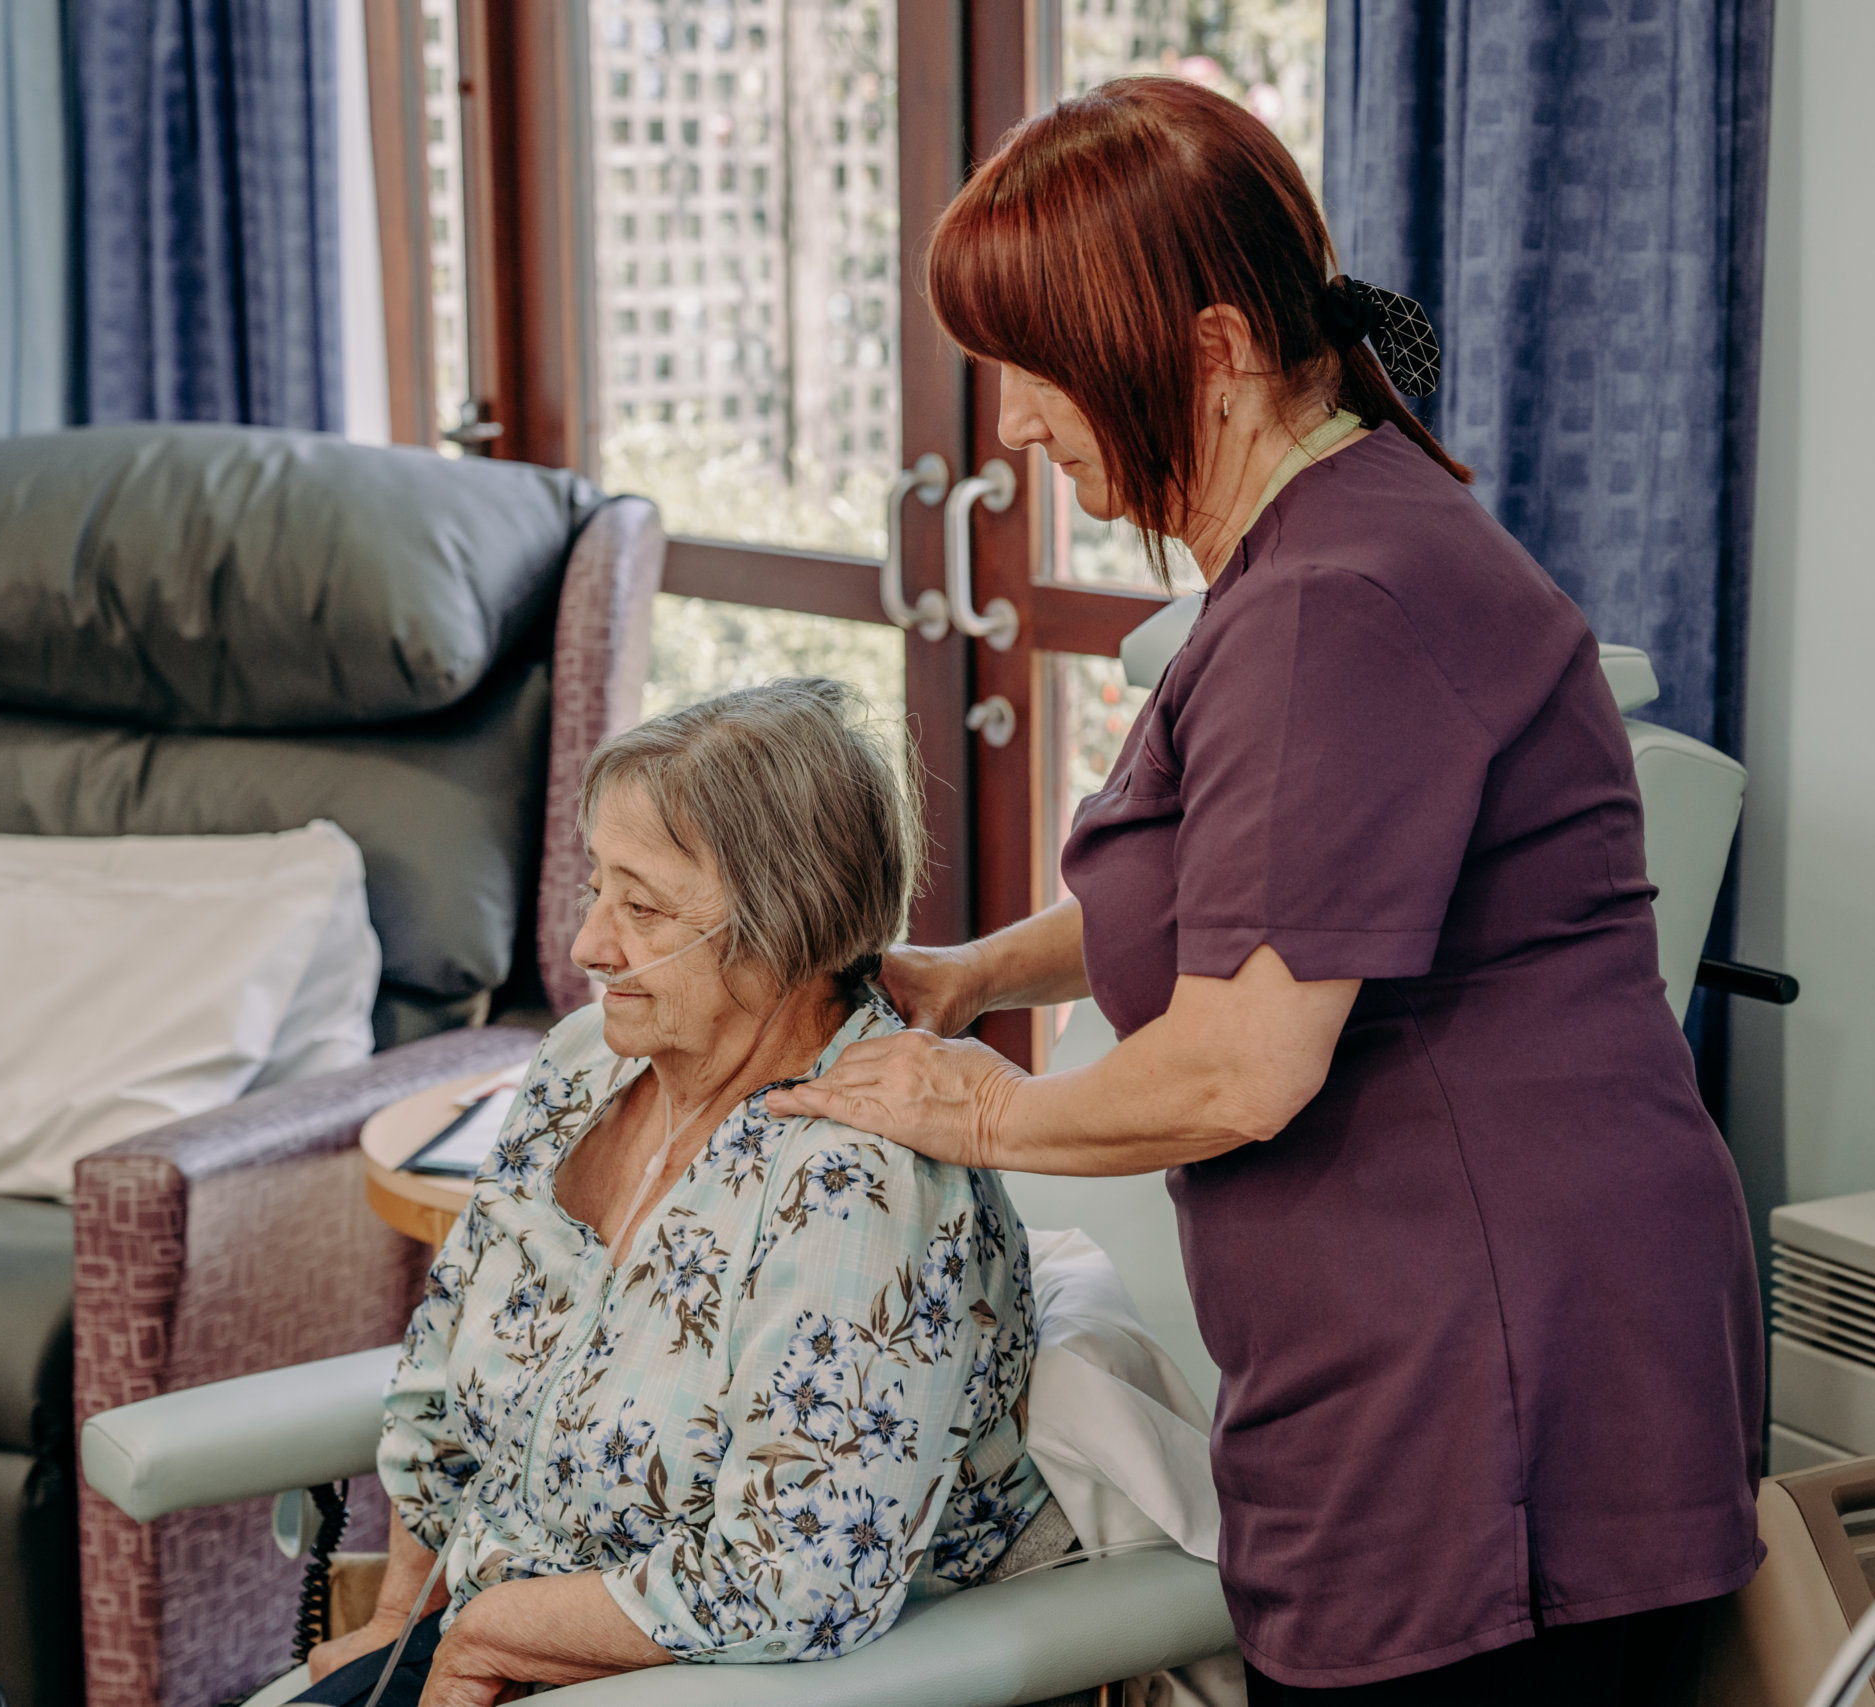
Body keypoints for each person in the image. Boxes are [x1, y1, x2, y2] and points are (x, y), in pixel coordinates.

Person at [765, 77, 1766, 1705]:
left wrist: (973, 1109)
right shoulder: (1337, 543)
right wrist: (971, 976)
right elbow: (1252, 889)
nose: (1012, 425)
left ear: (1215, 351)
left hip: (1487, 1391)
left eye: (1038, 369)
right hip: (1483, 1348)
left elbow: (1246, 1059)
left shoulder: (1330, 603)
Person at [303, 681, 1057, 1707]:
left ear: (785, 923)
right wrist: (396, 1624)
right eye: (595, 888)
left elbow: (795, 1579)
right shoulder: (584, 1060)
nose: (589, 946)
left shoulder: (860, 1177)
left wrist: (484, 1636)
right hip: (482, 1639)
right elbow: (443, 1371)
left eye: (643, 908)